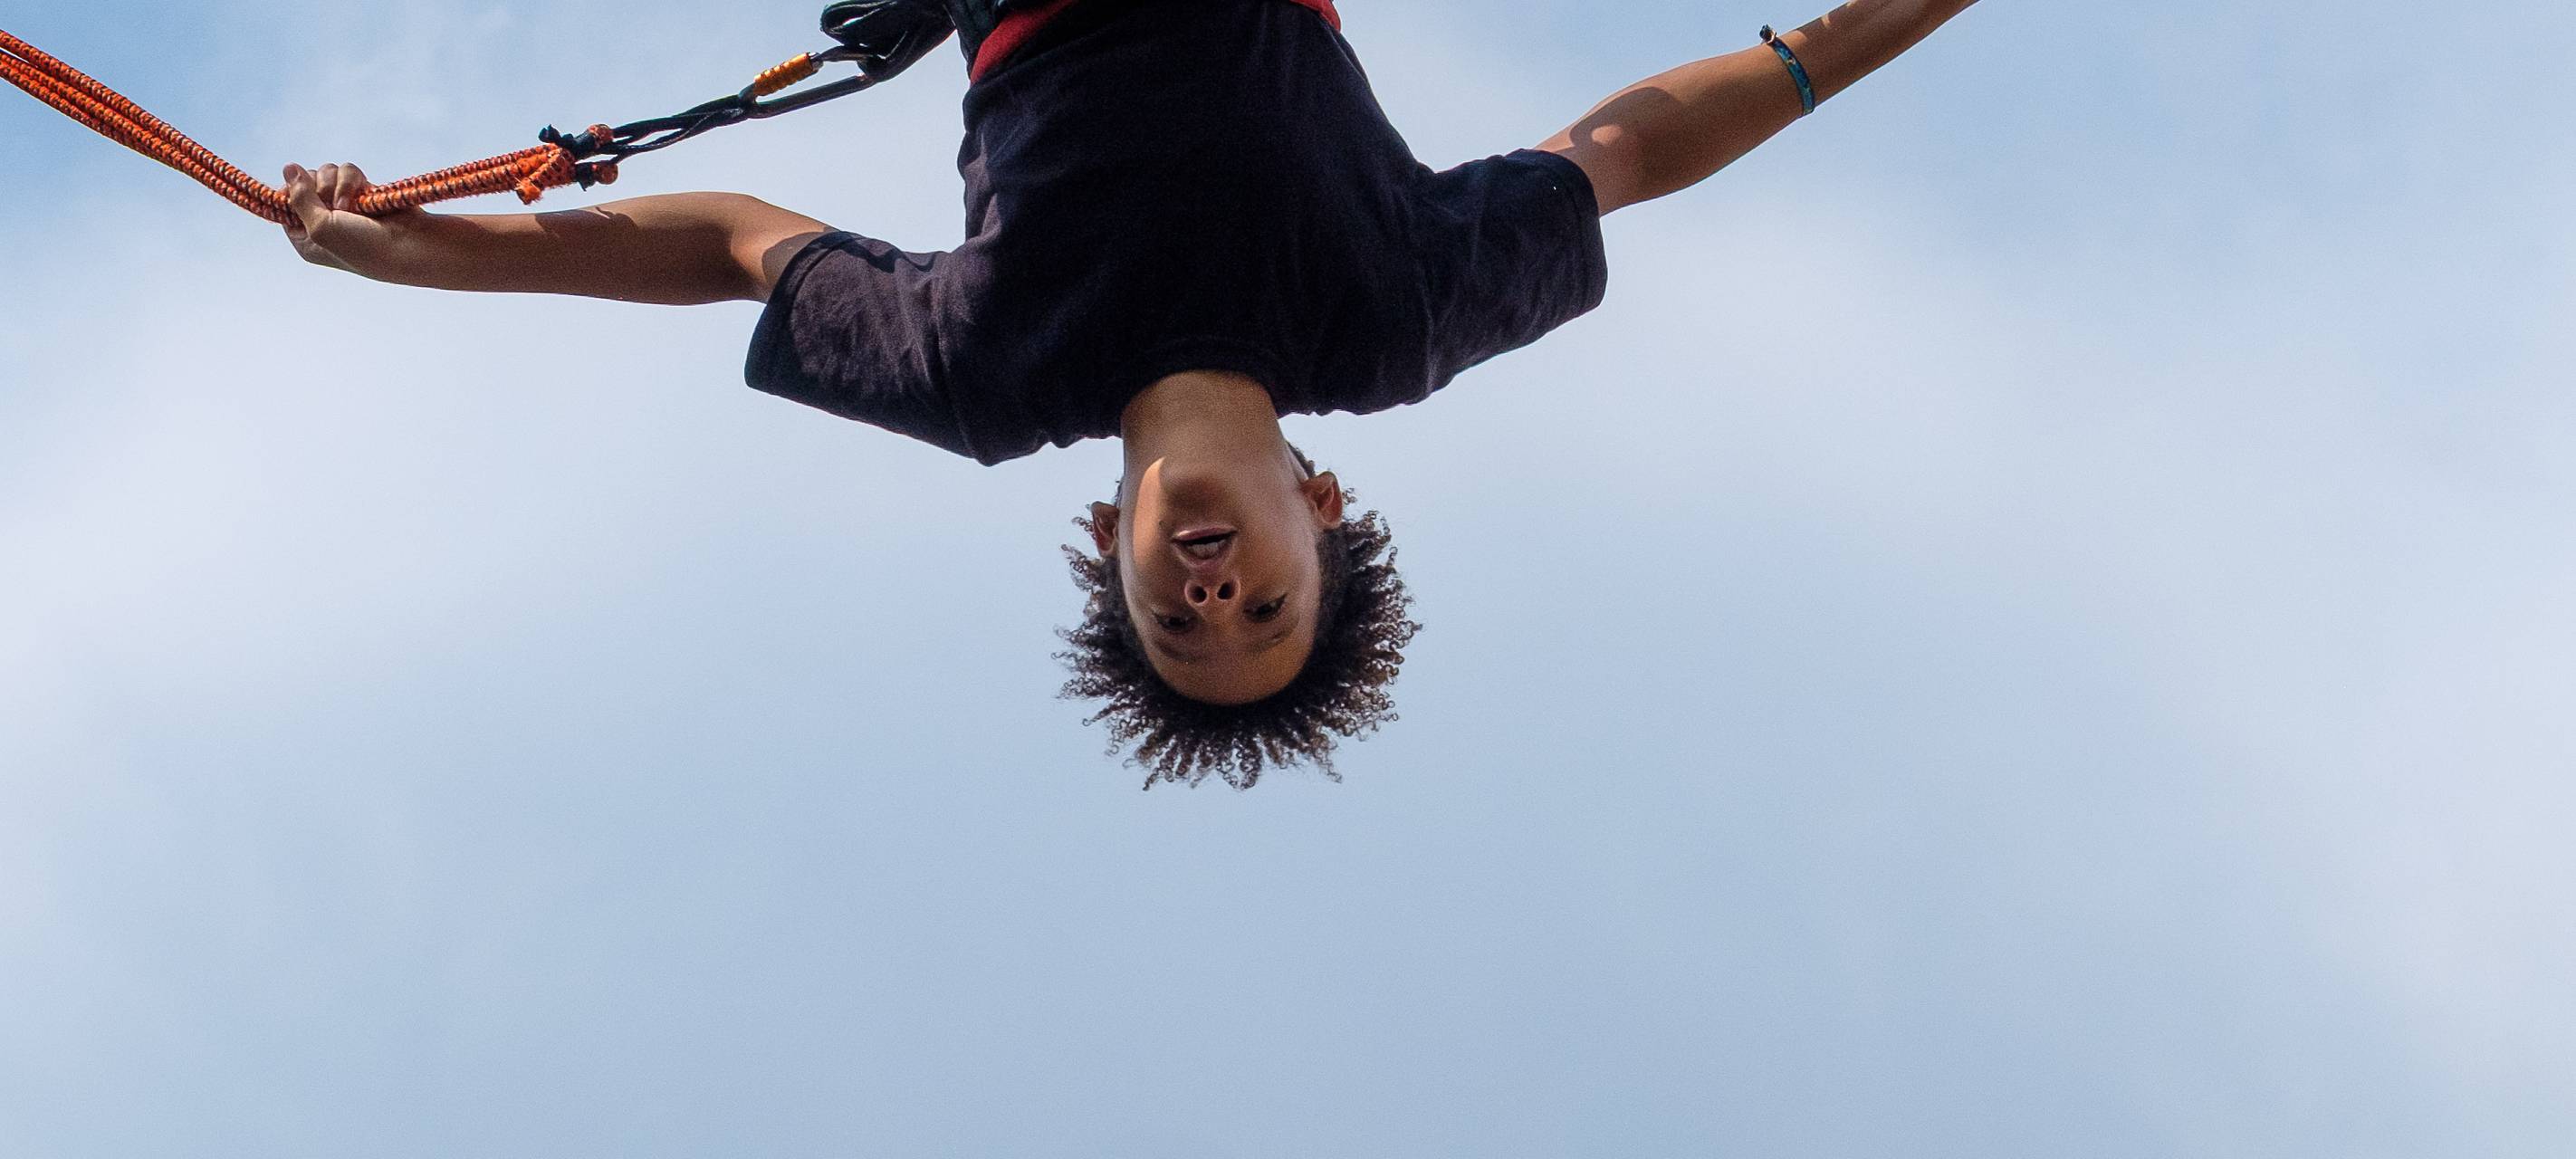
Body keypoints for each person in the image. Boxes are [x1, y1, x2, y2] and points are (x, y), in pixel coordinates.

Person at [278, 0, 1980, 787]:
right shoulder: (1400, 315)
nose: (1215, 594)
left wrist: (414, 253)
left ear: (1106, 544)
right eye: (1264, 613)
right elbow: (1625, 149)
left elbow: (731, 239)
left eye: (1183, 629)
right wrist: (1880, 23)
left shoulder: (980, 375)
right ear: (1321, 514)